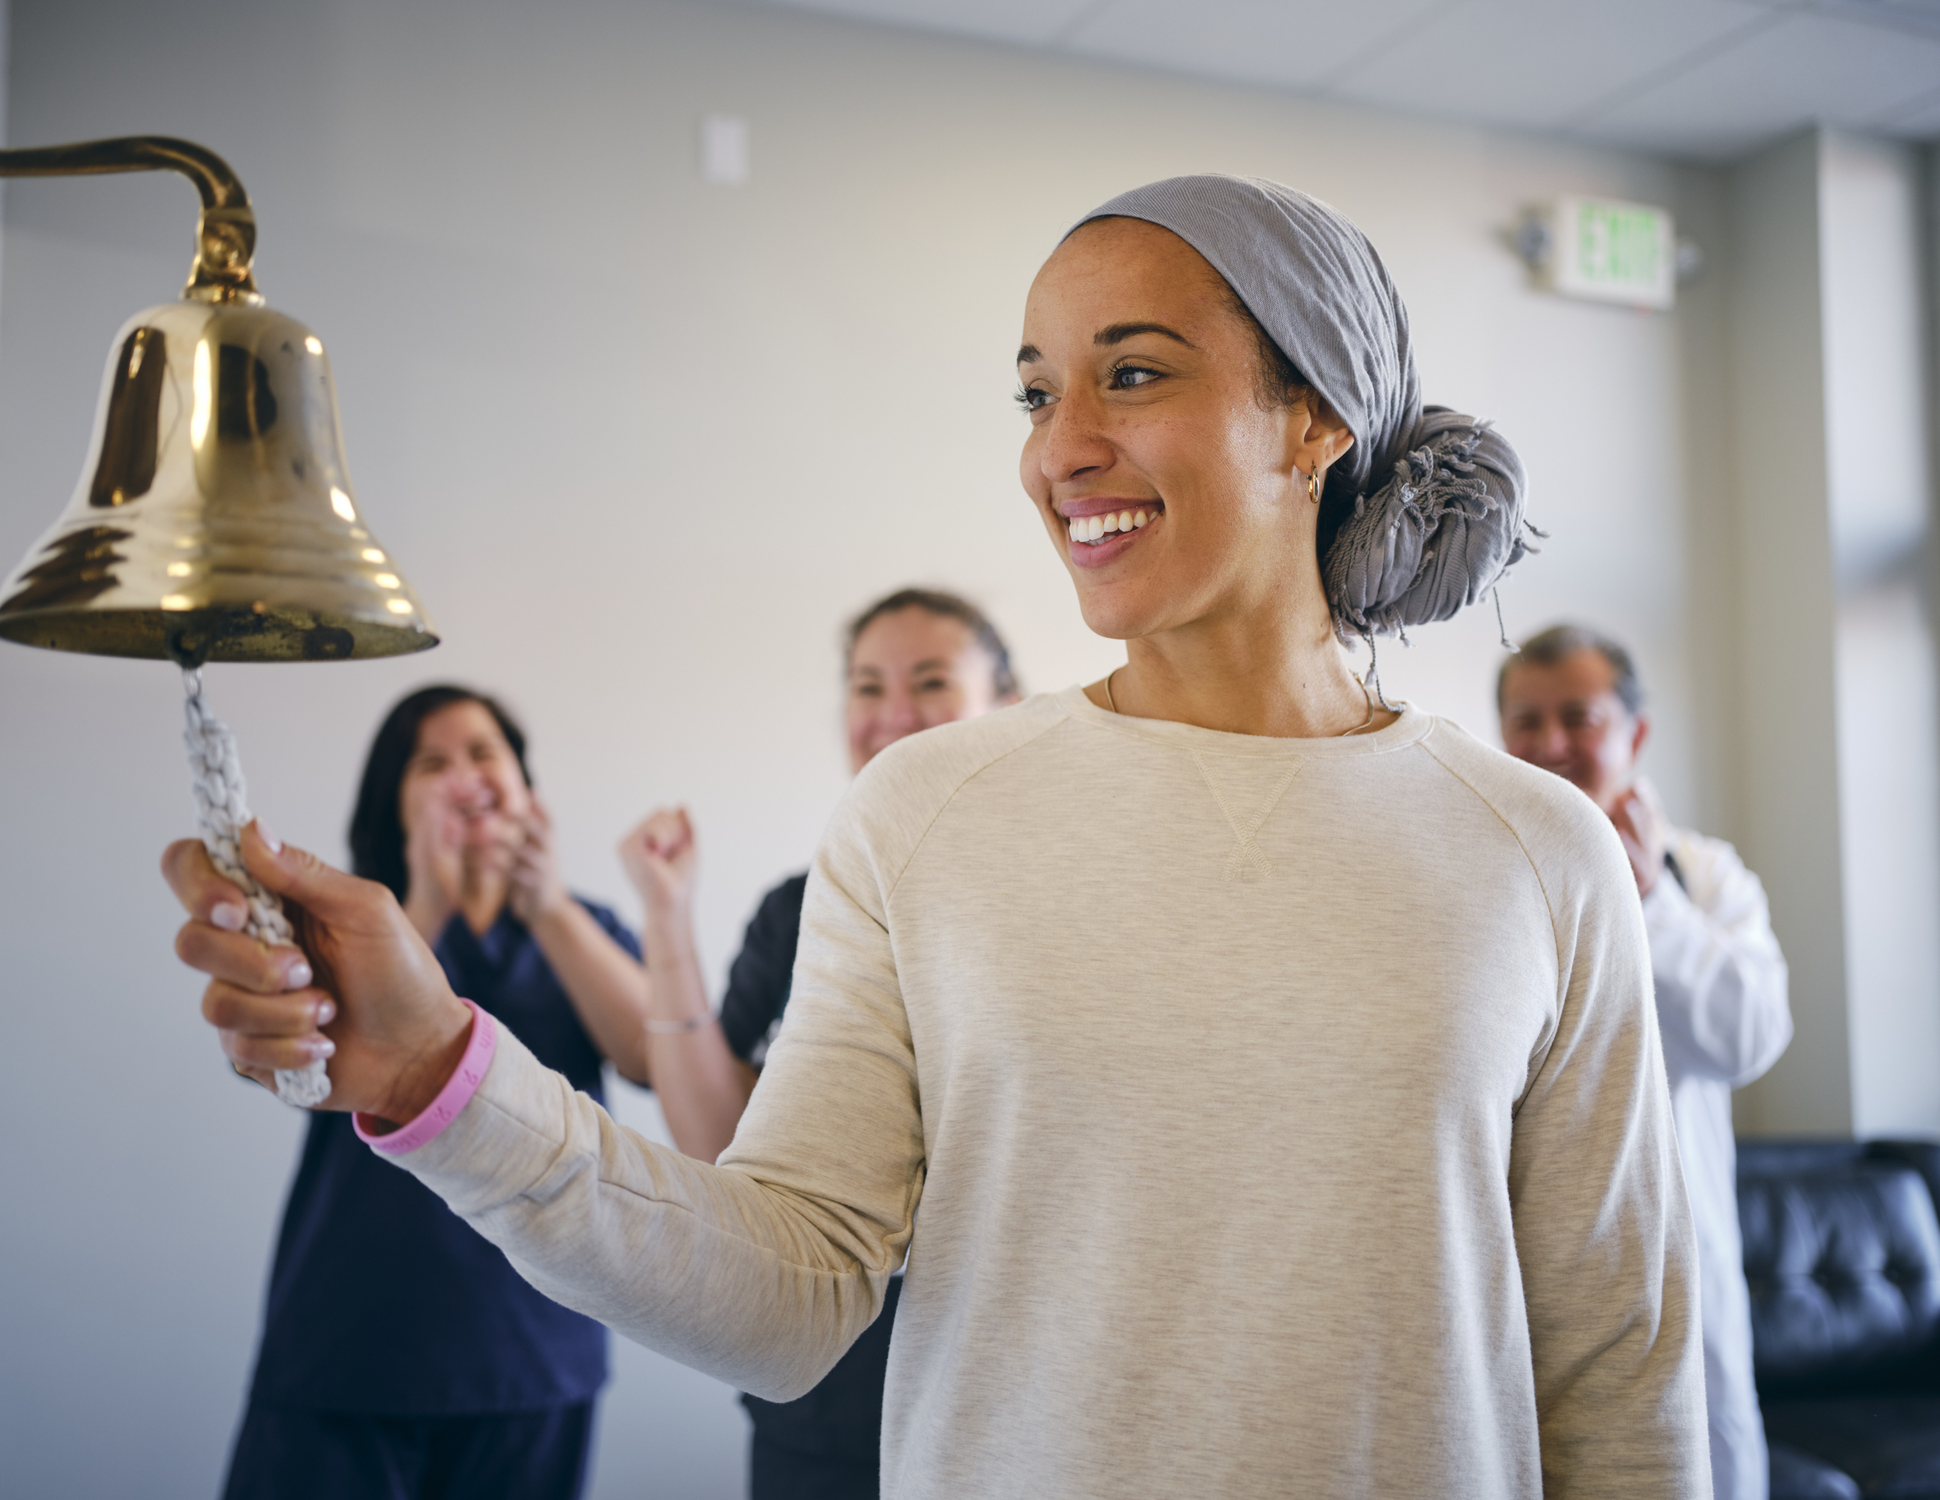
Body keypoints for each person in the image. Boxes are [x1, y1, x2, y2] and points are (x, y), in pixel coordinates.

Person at [168, 175, 1711, 1499]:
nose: (1062, 450)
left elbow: (1622, 1381)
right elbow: (789, 1290)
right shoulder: (928, 815)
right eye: (1040, 392)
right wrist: (445, 1071)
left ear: (1313, 418)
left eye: (1136, 375)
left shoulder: (1535, 851)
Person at [618, 587, 1020, 1499]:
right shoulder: (797, 911)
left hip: (1009, 1409)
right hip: (821, 1409)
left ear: (1008, 706)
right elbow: (716, 1144)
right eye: (867, 686)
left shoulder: (1058, 902)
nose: (892, 714)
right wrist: (667, 919)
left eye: (929, 681)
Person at [218, 685, 651, 1500]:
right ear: (396, 802)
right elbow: (296, 1058)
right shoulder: (345, 929)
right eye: (432, 762)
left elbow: (650, 1057)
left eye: (485, 754)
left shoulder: (586, 928)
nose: (465, 777)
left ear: (527, 788)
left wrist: (547, 906)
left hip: (535, 1352)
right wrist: (426, 899)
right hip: (348, 1343)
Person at [1499, 624, 1791, 1500]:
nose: (1550, 745)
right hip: (1522, 1266)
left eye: (1577, 718)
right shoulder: (1484, 876)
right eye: (1526, 721)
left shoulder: (1703, 879)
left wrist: (1650, 900)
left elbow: (1751, 1038)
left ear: (1636, 733)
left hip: (1682, 1264)